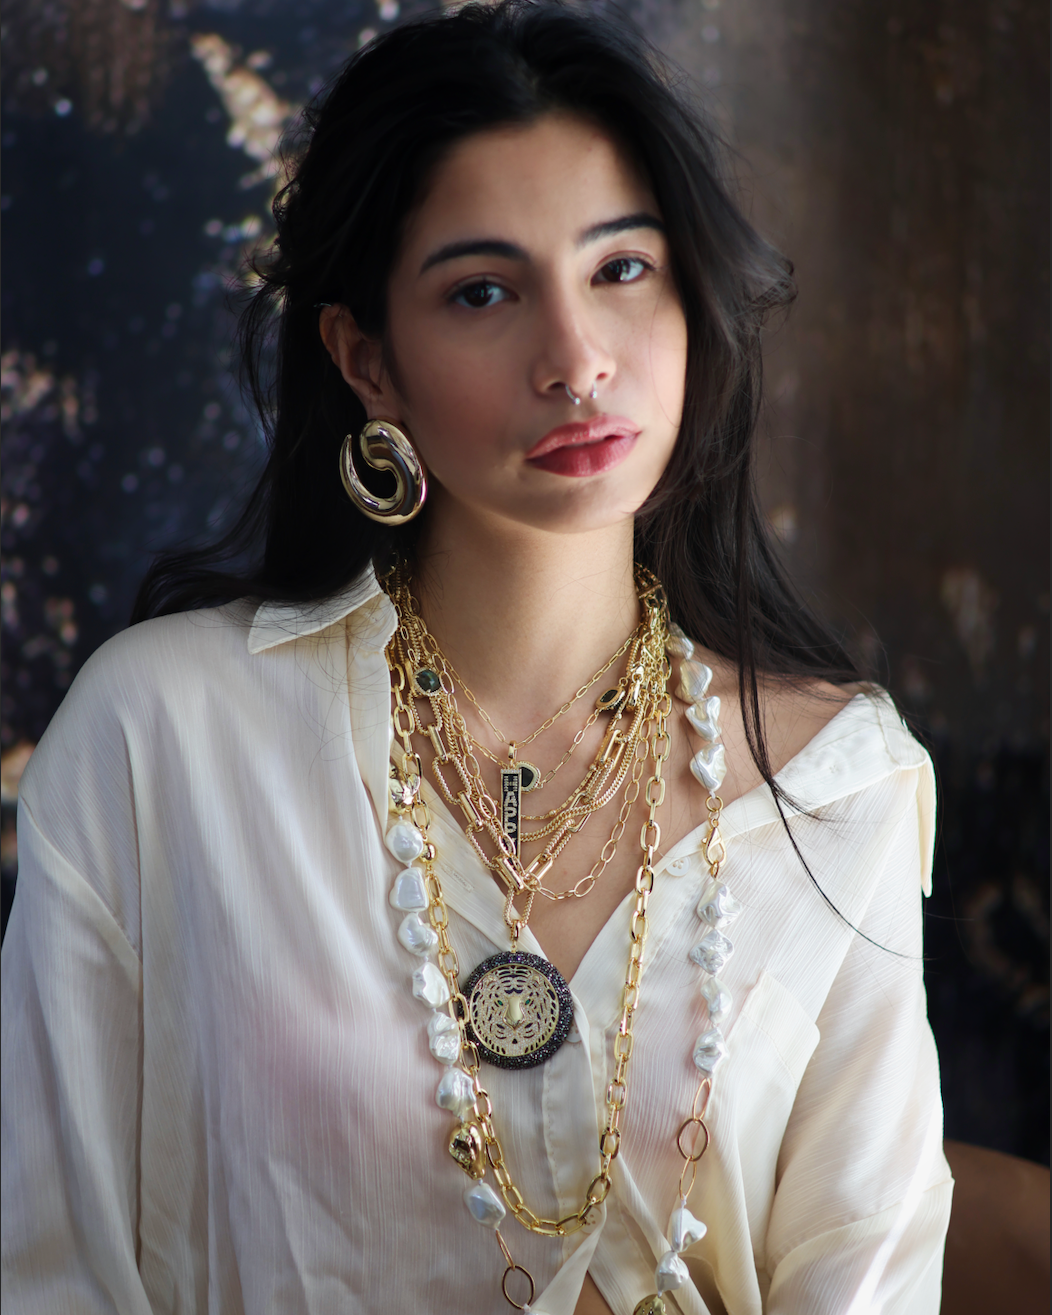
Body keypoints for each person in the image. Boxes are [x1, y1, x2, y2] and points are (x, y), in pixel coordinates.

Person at [1, 3, 953, 1312]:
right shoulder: (161, 734)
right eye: (485, 293)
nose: (574, 360)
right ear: (366, 360)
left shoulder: (839, 787)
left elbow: (873, 1275)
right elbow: (46, 1266)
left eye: (623, 269)